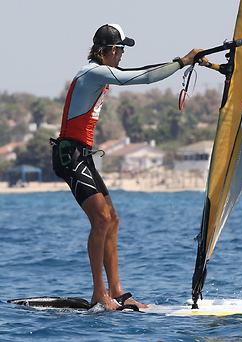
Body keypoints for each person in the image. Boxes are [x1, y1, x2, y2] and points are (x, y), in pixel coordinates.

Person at [51, 23, 207, 310]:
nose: (122, 55)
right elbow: (143, 77)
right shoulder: (92, 72)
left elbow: (137, 71)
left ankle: (117, 291)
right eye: (121, 50)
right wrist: (182, 61)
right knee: (100, 219)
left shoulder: (101, 73)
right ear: (110, 50)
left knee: (112, 219)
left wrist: (185, 61)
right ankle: (99, 293)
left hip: (82, 154)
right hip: (68, 154)